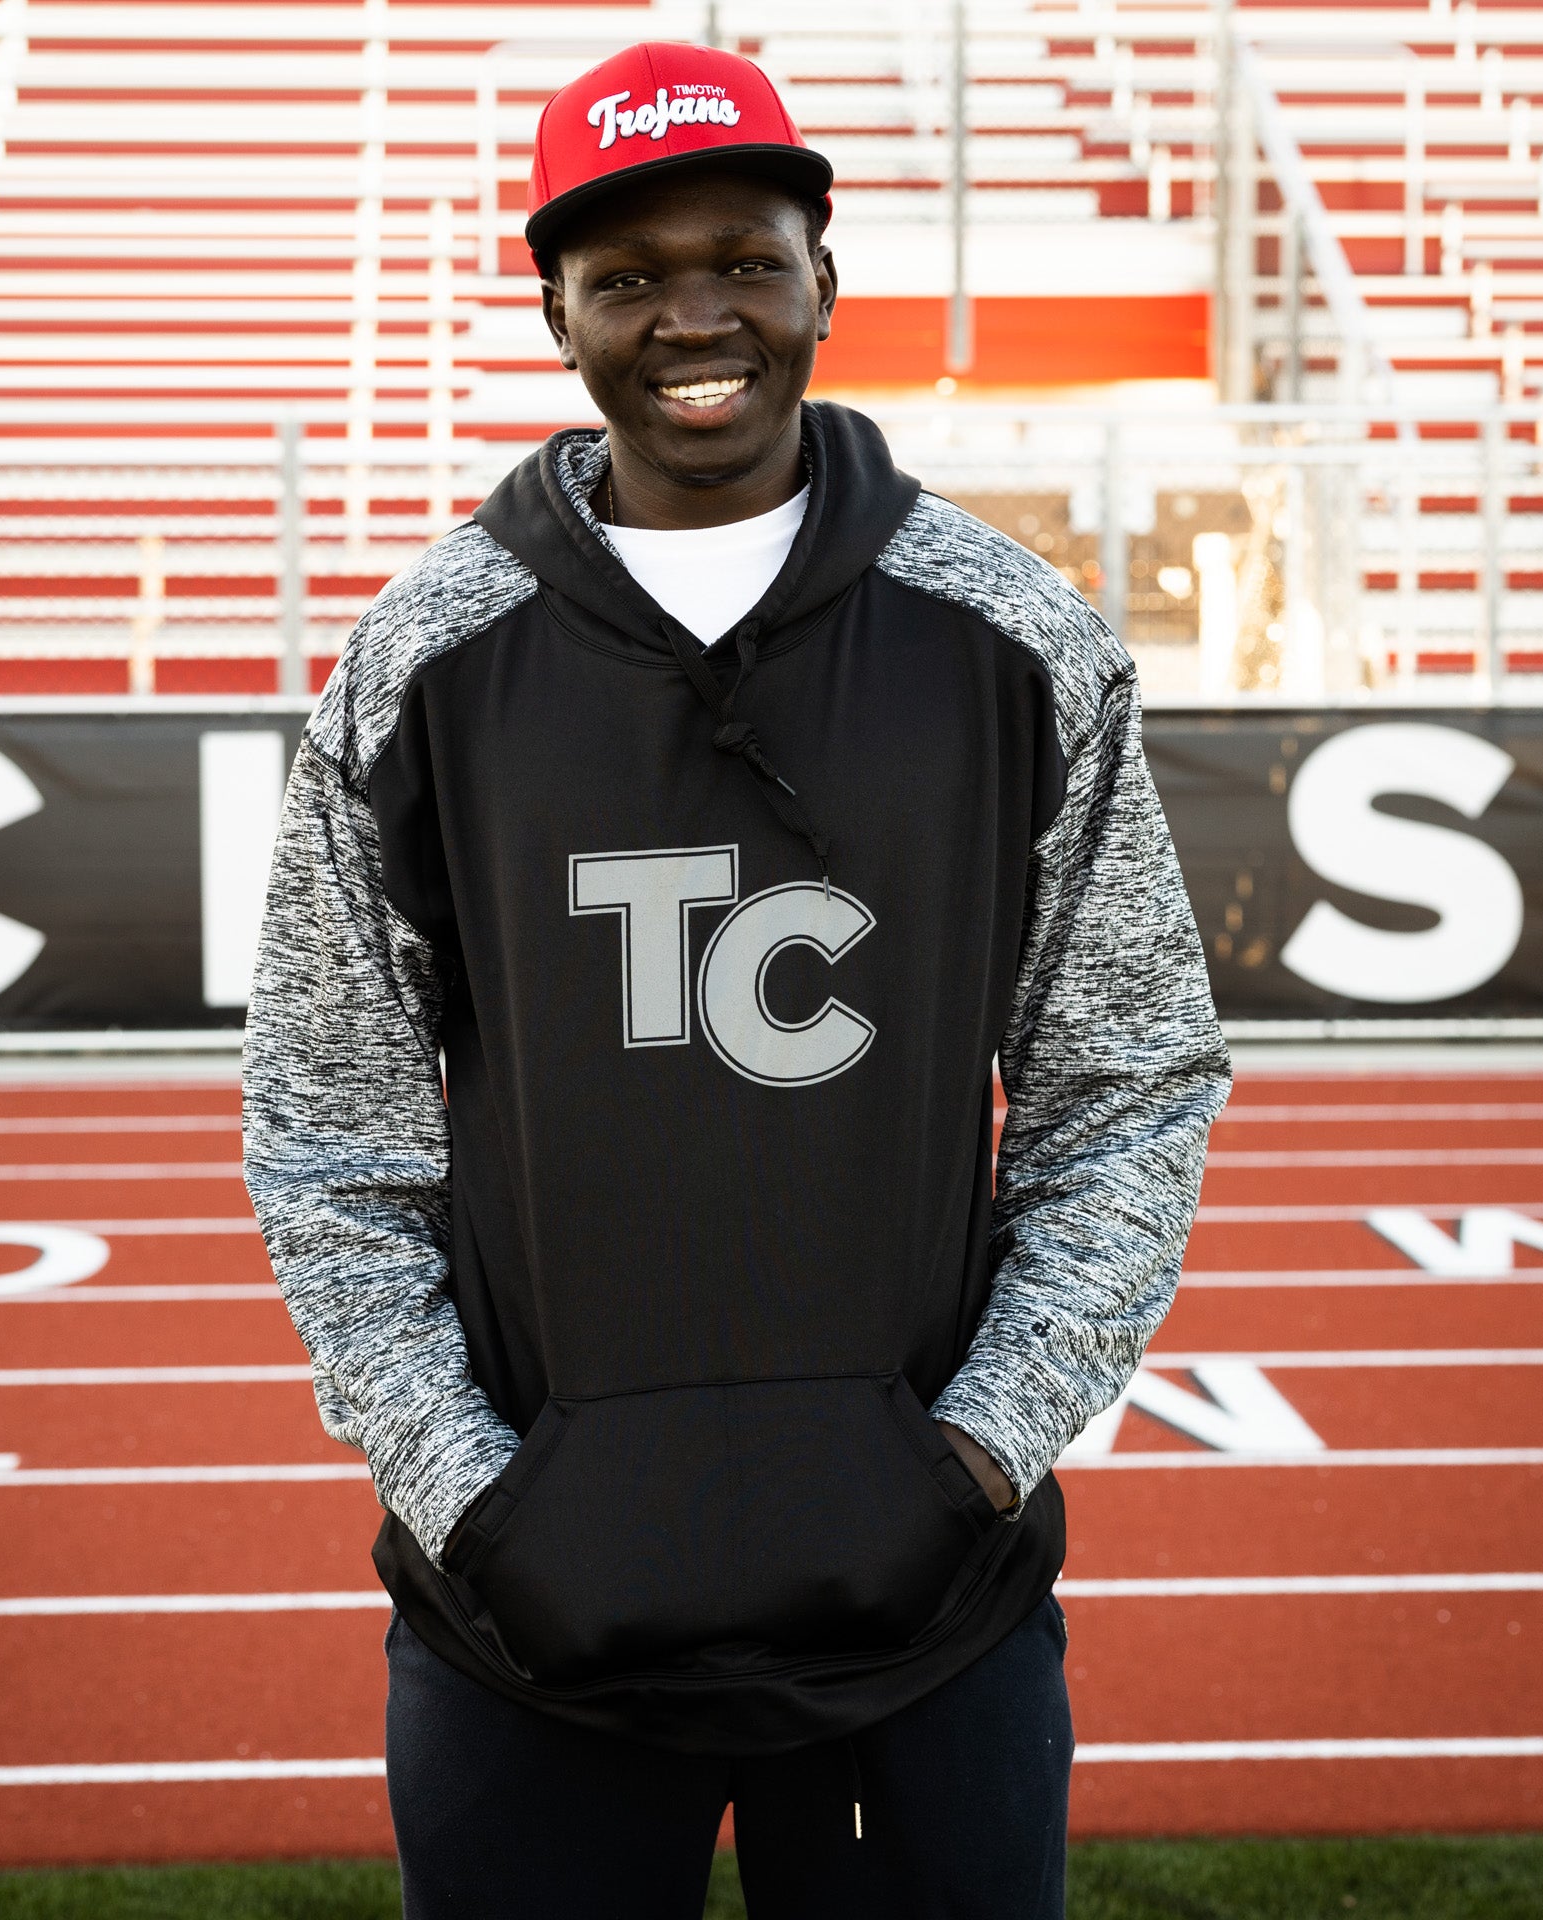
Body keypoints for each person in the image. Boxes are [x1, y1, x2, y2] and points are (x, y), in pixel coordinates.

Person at [244, 39, 1228, 1920]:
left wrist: (978, 1454)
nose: (693, 317)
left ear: (824, 281)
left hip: (926, 1620)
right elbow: (325, 1130)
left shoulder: (1018, 638)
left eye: (743, 260)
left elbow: (1130, 1082)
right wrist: (477, 1496)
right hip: (527, 1625)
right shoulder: (420, 657)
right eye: (626, 278)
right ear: (556, 313)